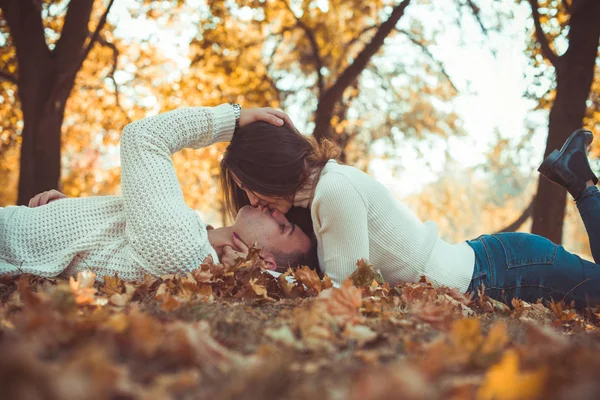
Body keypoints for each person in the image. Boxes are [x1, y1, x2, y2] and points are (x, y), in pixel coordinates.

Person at [221, 120, 600, 309]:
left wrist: (266, 284)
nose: (252, 200)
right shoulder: (317, 197)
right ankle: (579, 180)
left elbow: (345, 295)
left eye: (250, 185)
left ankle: (583, 187)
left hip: (508, 273)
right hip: (495, 263)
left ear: (269, 170)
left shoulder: (334, 192)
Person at [0, 104, 315, 282]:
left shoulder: (184, 252)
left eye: (283, 227)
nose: (273, 209)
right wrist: (71, 212)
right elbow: (110, 245)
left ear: (267, 260)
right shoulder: (192, 236)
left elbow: (142, 137)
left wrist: (232, 119)